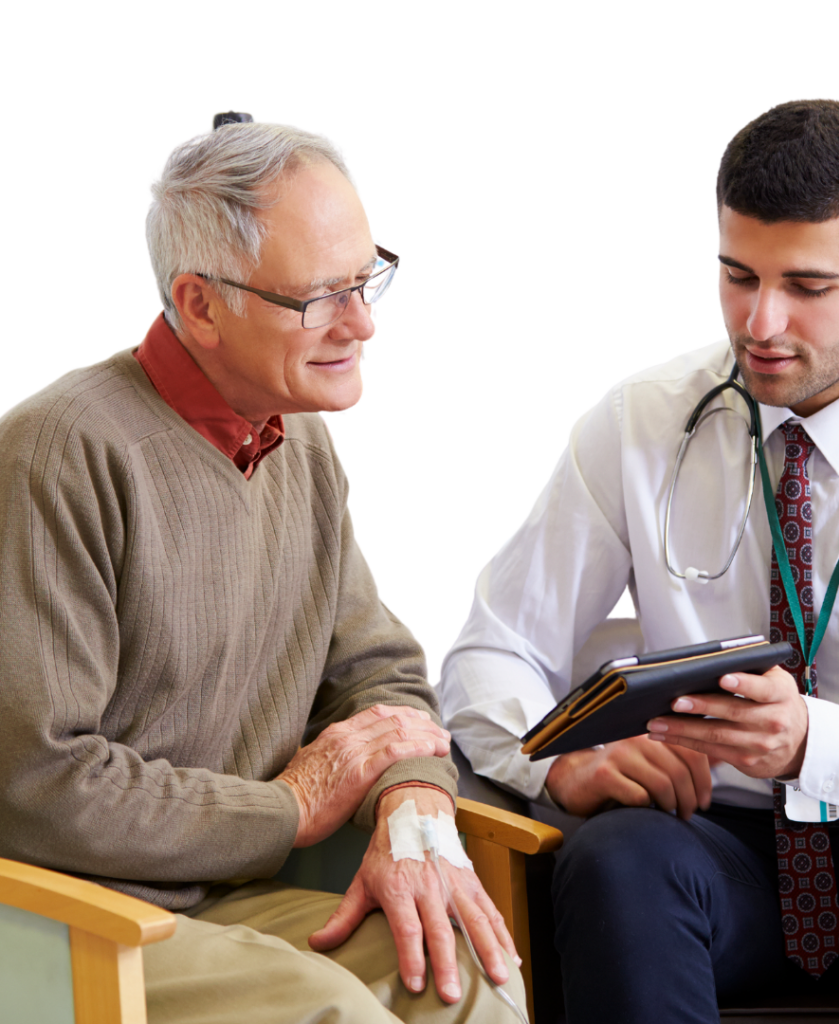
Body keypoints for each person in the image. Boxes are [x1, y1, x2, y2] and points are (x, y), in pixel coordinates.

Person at [438, 99, 839, 1023]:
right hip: (720, 848)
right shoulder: (641, 423)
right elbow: (490, 652)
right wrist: (551, 763)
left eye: (808, 285)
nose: (760, 321)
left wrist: (821, 746)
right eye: (736, 274)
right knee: (613, 859)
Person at [0, 119, 524, 1024]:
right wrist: (289, 809)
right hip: (77, 918)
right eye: (321, 297)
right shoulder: (61, 454)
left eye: (365, 281)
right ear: (200, 304)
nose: (362, 323)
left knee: (466, 976)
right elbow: (40, 787)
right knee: (336, 1013)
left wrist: (412, 809)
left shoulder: (298, 441)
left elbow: (379, 679)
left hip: (237, 894)